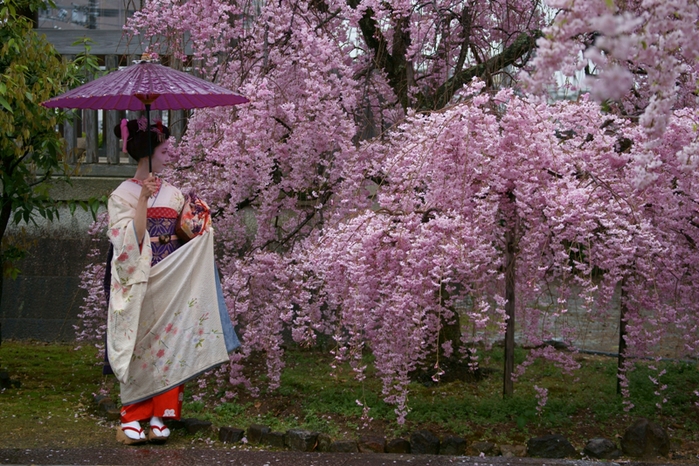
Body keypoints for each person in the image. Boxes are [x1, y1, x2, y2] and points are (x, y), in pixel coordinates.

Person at [106, 117, 239, 445]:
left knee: (170, 342)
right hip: (142, 276)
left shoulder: (174, 193)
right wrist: (142, 200)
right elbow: (128, 240)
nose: (169, 155)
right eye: (164, 150)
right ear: (147, 154)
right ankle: (132, 414)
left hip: (173, 273)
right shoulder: (121, 195)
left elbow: (188, 232)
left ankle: (161, 414)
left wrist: (201, 224)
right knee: (140, 343)